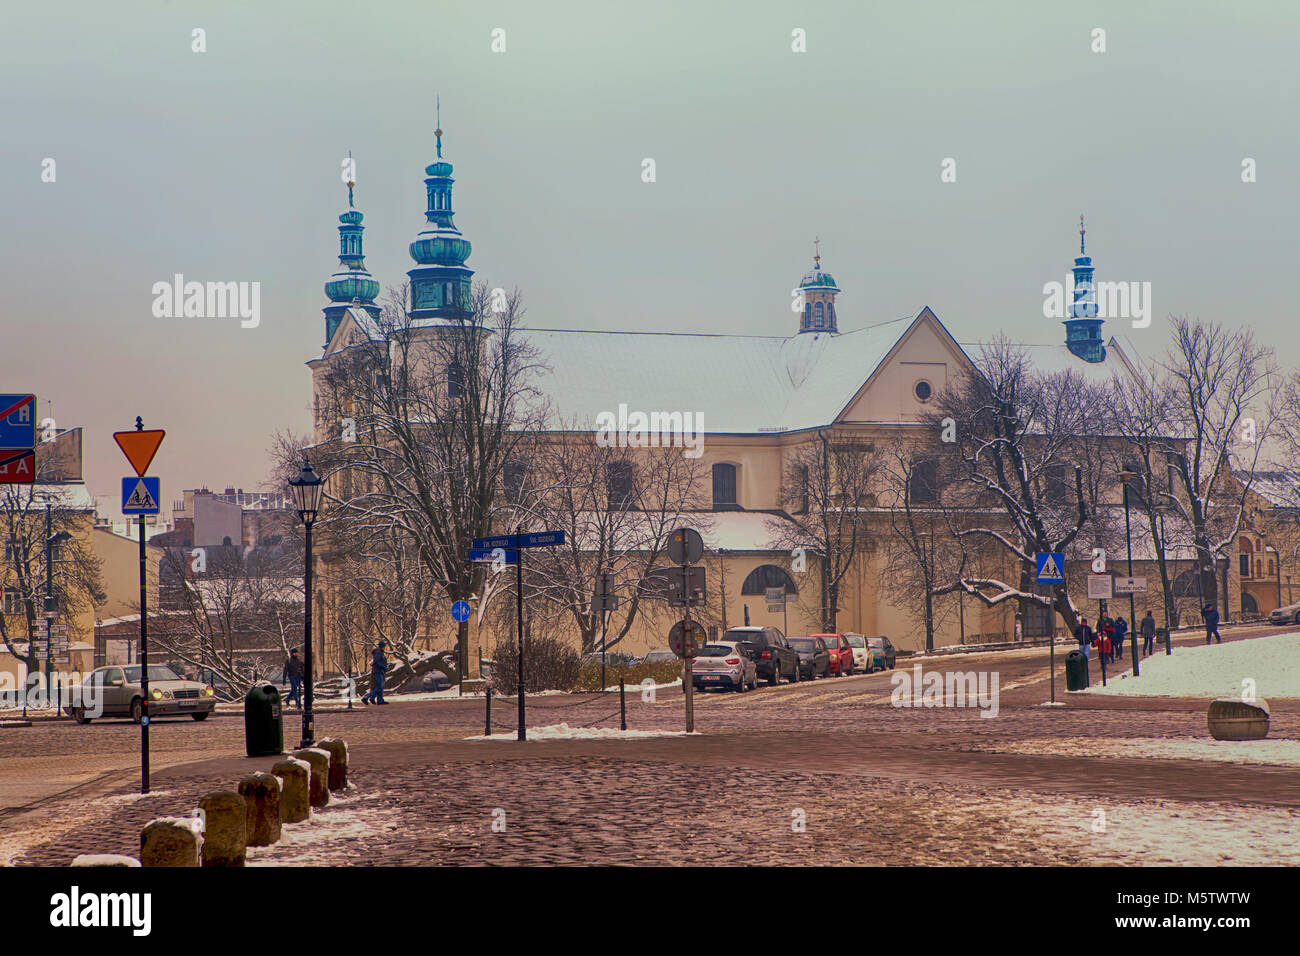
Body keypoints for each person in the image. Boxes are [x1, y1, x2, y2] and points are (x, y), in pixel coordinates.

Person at [362, 640, 389, 705]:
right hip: (378, 671)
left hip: (380, 671)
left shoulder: (380, 652)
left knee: (380, 686)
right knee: (380, 686)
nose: (384, 648)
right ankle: (366, 697)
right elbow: (377, 662)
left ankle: (380, 700)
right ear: (382, 646)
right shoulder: (378, 652)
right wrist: (383, 667)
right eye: (384, 646)